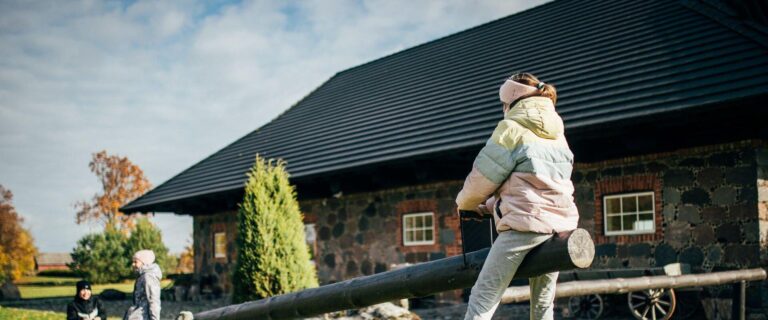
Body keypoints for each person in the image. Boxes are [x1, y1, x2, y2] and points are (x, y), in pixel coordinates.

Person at [456, 72, 579, 320]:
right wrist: (492, 206)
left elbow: (482, 179)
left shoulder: (511, 128)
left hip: (524, 228)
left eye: (503, 103)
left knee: (483, 296)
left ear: (511, 100)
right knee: (544, 303)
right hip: (560, 227)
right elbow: (536, 185)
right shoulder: (558, 133)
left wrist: (464, 203)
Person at [124, 249, 162, 320]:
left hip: (143, 316)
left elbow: (153, 300)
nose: (133, 264)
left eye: (136, 262)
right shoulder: (141, 276)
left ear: (144, 263)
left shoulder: (148, 277)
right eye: (133, 262)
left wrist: (155, 318)